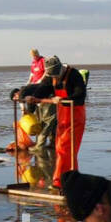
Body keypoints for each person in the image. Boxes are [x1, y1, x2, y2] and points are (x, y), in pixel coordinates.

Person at [20, 55, 86, 189]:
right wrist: (33, 98)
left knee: (65, 149)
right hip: (62, 118)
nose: (55, 79)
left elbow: (80, 96)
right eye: (52, 76)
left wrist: (64, 100)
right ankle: (73, 180)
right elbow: (43, 89)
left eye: (57, 75)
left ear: (61, 68)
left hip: (75, 118)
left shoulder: (74, 75)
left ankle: (59, 182)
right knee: (61, 149)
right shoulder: (51, 77)